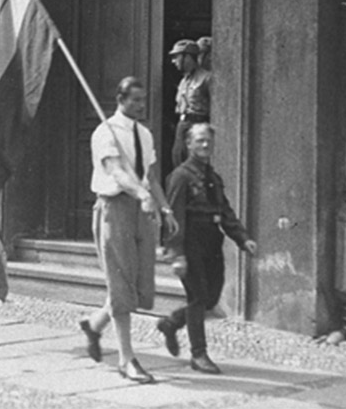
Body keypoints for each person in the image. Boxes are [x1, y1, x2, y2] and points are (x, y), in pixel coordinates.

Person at [78, 77, 177, 384]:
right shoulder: (104, 132)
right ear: (120, 99)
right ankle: (127, 359)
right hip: (115, 209)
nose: (141, 105)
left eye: (143, 100)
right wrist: (142, 195)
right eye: (135, 100)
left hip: (142, 212)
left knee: (137, 287)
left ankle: (94, 325)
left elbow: (151, 175)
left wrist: (165, 207)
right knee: (120, 286)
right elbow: (117, 172)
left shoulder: (144, 134)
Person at [157, 123, 258, 374]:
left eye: (208, 141)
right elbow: (173, 217)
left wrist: (242, 238)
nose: (205, 145)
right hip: (190, 241)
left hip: (212, 241)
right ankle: (198, 354)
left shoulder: (213, 177)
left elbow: (224, 211)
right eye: (199, 141)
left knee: (211, 298)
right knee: (199, 297)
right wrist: (177, 254)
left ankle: (172, 324)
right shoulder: (180, 176)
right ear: (188, 144)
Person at [170, 39, 211, 169]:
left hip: (197, 126)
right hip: (182, 127)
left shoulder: (207, 78)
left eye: (177, 57)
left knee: (196, 167)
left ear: (187, 57)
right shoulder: (183, 81)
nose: (174, 61)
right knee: (179, 162)